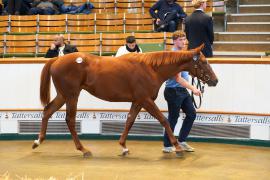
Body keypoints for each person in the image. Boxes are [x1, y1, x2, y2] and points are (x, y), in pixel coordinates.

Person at [163, 31, 201, 153]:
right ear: (174, 41)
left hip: (182, 90)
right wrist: (193, 88)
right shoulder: (173, 55)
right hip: (173, 90)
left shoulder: (184, 54)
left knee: (191, 114)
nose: (183, 42)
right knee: (173, 117)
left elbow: (185, 72)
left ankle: (182, 140)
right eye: (180, 39)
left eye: (184, 39)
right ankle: (167, 145)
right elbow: (178, 78)